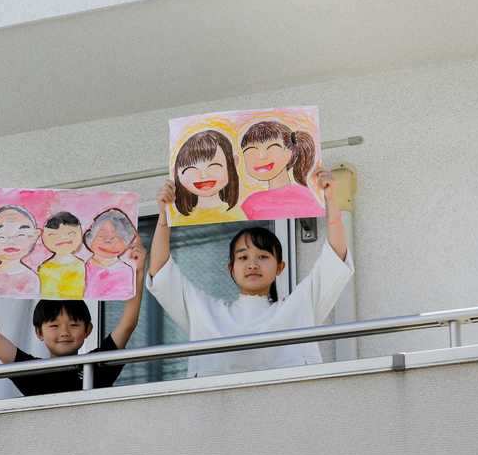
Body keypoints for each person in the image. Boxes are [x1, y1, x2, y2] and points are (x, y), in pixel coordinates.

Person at [147, 168, 353, 378]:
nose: (252, 264)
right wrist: (164, 215)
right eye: (243, 257)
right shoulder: (205, 312)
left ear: (280, 267)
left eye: (263, 257)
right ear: (231, 268)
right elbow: (161, 270)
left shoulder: (298, 307)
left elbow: (335, 259)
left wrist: (331, 200)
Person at [0, 240, 146, 396]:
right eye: (54, 325)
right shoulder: (32, 371)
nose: (64, 332)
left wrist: (137, 272)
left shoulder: (97, 365)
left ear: (88, 330)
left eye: (74, 324)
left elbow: (128, 323)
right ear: (39, 332)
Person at [239, 121, 325, 220]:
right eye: (251, 151)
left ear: (290, 152)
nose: (261, 156)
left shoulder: (309, 197)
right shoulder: (250, 203)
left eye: (272, 148)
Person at [170, 129, 245, 226]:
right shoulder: (178, 220)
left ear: (234, 163)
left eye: (214, 166)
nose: (203, 175)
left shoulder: (238, 215)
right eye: (191, 169)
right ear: (176, 173)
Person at [0, 205, 42, 296]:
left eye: (20, 235)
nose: (11, 241)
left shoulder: (31, 279)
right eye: (1, 237)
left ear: (35, 235)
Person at [83, 208, 138, 300]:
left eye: (115, 238)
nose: (107, 241)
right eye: (101, 236)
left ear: (126, 242)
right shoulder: (82, 268)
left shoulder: (125, 271)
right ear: (90, 238)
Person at [38, 211, 86, 299]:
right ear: (44, 237)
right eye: (53, 235)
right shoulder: (44, 268)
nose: (62, 238)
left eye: (70, 234)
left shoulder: (82, 266)